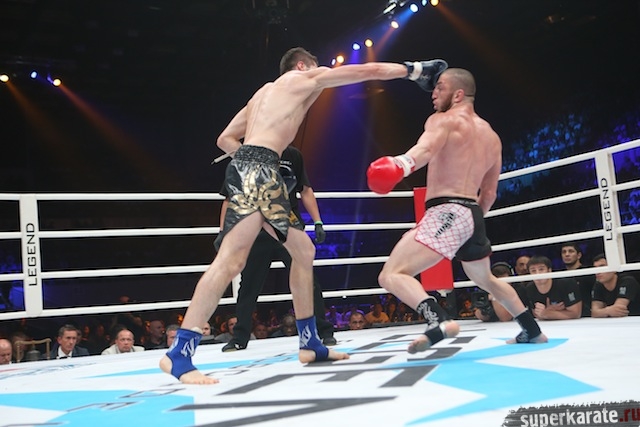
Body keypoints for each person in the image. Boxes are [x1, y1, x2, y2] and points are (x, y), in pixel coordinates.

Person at [160, 47, 450, 384]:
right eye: (316, 67)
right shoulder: (301, 79)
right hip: (259, 172)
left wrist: (255, 160)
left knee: (303, 251)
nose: (321, 73)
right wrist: (414, 70)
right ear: (302, 66)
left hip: (261, 171)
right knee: (230, 262)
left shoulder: (262, 94)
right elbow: (364, 72)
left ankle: (310, 343)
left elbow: (224, 139)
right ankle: (179, 354)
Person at [368, 68, 547, 353]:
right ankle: (532, 330)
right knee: (485, 279)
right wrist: (468, 223)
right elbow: (489, 193)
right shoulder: (492, 137)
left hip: (447, 210)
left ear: (458, 94)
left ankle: (439, 321)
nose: (433, 93)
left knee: (391, 274)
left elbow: (425, 150)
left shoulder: (443, 120)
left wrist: (400, 164)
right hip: (473, 213)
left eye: (440, 87)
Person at [218, 145, 336, 352]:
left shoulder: (292, 155)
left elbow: (305, 189)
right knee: (249, 285)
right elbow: (230, 197)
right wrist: (223, 231)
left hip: (288, 226)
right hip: (257, 229)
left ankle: (323, 331)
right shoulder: (248, 154)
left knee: (308, 279)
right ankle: (239, 337)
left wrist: (318, 221)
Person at [525, 255, 582, 320]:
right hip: (547, 324)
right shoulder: (530, 288)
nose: (537, 274)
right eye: (533, 271)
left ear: (549, 270)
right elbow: (537, 315)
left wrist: (547, 313)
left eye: (541, 269)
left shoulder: (566, 283)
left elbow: (576, 314)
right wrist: (548, 312)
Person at [560, 242, 595, 317]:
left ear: (579, 255)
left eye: (571, 251)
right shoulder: (560, 276)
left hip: (588, 315)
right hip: (566, 315)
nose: (567, 254)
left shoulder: (589, 273)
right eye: (564, 252)